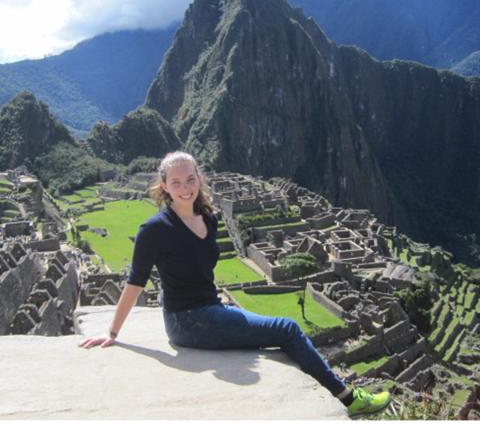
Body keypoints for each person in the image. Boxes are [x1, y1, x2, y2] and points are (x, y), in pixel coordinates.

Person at [79, 151, 391, 418]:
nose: (184, 188)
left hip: (209, 311)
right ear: (165, 187)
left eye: (190, 179)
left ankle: (343, 394)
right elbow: (135, 282)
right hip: (186, 321)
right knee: (287, 329)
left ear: (199, 179)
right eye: (176, 182)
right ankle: (349, 399)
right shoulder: (154, 229)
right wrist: (112, 333)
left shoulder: (208, 218)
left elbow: (201, 274)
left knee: (274, 331)